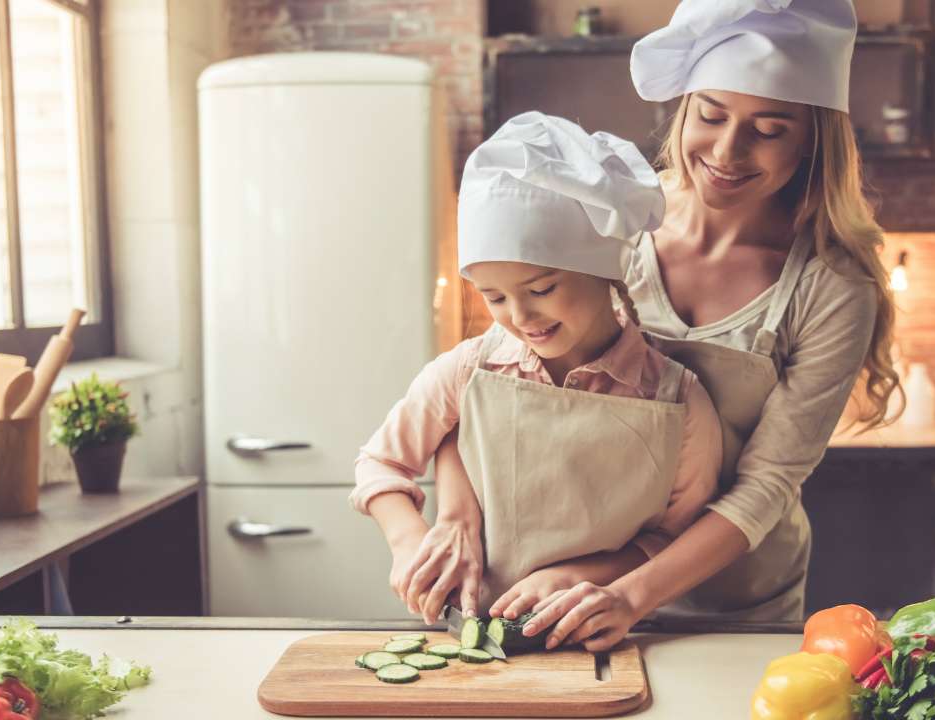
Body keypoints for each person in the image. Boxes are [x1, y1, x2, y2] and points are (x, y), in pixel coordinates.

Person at [397, 0, 902, 652]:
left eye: (769, 129)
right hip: (569, 583)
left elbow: (768, 483)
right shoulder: (616, 213)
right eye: (711, 115)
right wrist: (459, 516)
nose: (727, 150)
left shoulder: (832, 287)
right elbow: (485, 383)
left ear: (812, 138)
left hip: (731, 605)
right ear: (684, 110)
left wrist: (629, 594)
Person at [350, 111, 723, 629]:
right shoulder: (468, 369)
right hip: (471, 635)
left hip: (604, 632)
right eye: (494, 297)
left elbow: (674, 537)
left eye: (541, 290)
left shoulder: (676, 400)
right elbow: (380, 464)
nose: (521, 318)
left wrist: (580, 574)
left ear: (603, 273)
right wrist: (411, 542)